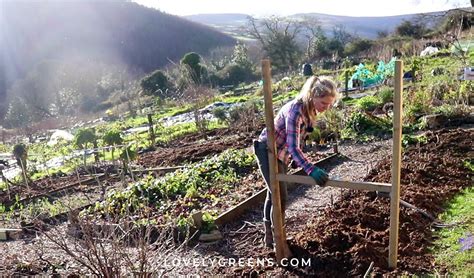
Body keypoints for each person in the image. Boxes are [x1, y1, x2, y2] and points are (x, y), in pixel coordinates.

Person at [253, 76, 339, 248]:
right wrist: (311, 169)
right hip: (267, 150)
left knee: (273, 194)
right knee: (279, 196)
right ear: (312, 96)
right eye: (323, 103)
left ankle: (270, 239)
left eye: (329, 104)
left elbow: (297, 140)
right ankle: (278, 239)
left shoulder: (311, 111)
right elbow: (293, 147)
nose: (326, 107)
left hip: (281, 153)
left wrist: (295, 161)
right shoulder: (296, 111)